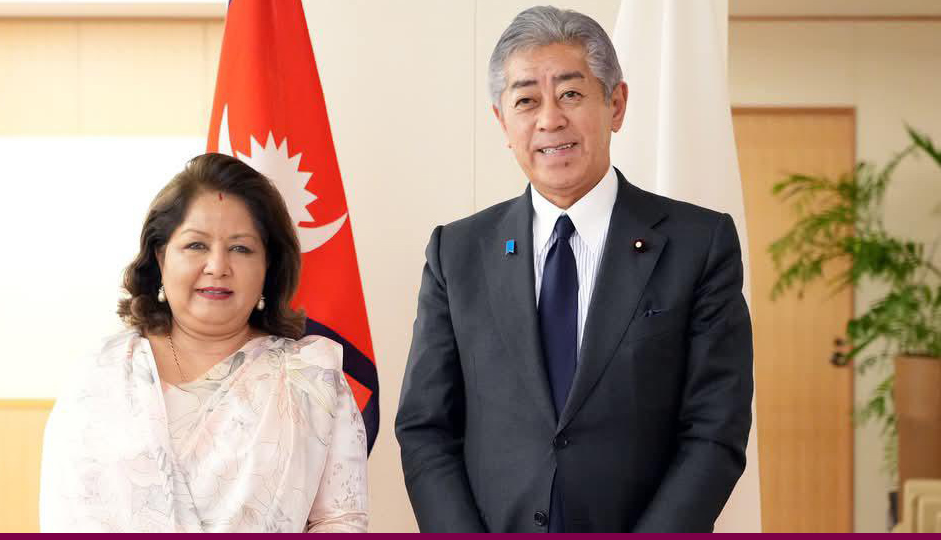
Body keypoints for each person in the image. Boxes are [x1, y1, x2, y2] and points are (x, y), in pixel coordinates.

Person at [396, 5, 753, 533]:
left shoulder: (698, 244)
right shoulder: (458, 252)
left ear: (616, 104)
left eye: (570, 94)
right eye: (526, 100)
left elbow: (715, 428)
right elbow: (426, 428)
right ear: (502, 121)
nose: (549, 120)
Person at [40, 153, 368, 532]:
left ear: (268, 266)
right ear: (161, 256)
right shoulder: (102, 373)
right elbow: (66, 514)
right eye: (196, 245)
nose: (217, 266)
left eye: (241, 248)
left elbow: (340, 521)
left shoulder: (311, 378)